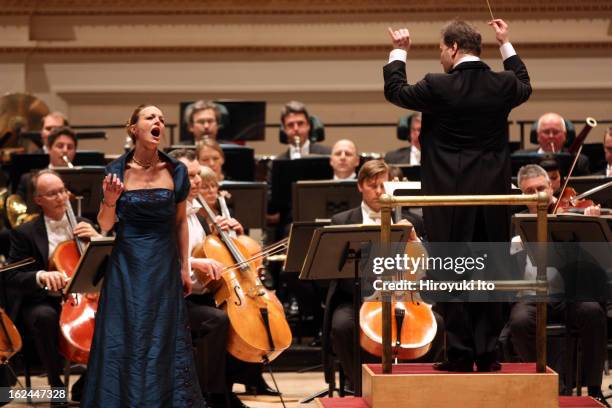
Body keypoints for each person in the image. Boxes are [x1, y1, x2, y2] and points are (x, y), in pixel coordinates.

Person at [384, 19, 531, 372]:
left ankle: (460, 355)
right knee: (491, 272)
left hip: (448, 199)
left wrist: (399, 50)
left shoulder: (438, 85)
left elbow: (396, 91)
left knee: (451, 273)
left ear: (452, 47)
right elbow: (526, 84)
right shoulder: (504, 83)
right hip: (493, 199)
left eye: (440, 50)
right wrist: (506, 44)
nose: (439, 59)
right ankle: (488, 355)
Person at [81, 105, 205, 407]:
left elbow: (179, 222)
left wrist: (184, 267)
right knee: (127, 331)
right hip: (128, 262)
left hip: (162, 261)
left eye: (161, 119)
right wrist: (109, 201)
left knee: (162, 332)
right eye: (150, 117)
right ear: (134, 129)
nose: (158, 122)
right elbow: (106, 225)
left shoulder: (176, 170)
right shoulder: (116, 171)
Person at [324, 159, 440, 386]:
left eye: (383, 186)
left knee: (438, 324)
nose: (378, 192)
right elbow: (339, 273)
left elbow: (427, 268)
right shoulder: (343, 221)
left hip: (405, 298)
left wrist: (415, 241)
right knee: (342, 325)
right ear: (359, 186)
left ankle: (413, 387)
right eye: (371, 185)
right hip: (358, 298)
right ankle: (360, 385)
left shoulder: (413, 220)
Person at [507, 164, 607, 405]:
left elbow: (598, 263)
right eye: (530, 191)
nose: (537, 195)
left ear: (552, 186)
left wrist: (589, 225)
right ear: (522, 194)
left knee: (593, 313)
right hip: (532, 296)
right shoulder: (516, 224)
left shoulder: (572, 217)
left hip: (571, 293)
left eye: (541, 188)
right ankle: (551, 381)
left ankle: (594, 388)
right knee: (518, 322)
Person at [5, 169, 100, 399]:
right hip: (43, 299)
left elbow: (104, 267)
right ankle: (56, 384)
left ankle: (88, 382)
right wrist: (40, 276)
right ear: (39, 200)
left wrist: (98, 239)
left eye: (62, 191)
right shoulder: (24, 233)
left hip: (82, 299)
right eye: (52, 194)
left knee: (117, 314)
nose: (61, 197)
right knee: (44, 317)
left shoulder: (84, 224)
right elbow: (11, 276)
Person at [169, 149, 252, 408]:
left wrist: (230, 236)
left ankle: (224, 392)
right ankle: (206, 397)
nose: (196, 182)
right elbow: (154, 258)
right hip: (170, 299)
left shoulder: (198, 213)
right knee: (216, 321)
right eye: (189, 176)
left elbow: (215, 257)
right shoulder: (164, 212)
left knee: (242, 319)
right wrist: (194, 262)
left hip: (199, 294)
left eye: (197, 175)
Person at [515, 112, 591, 175]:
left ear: (565, 135)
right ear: (537, 135)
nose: (551, 136)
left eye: (556, 132)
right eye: (546, 132)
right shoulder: (520, 159)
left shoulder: (578, 160)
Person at [16, 125, 77, 200]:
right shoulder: (28, 180)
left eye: (70, 147)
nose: (65, 150)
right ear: (49, 149)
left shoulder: (86, 178)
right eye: (60, 146)